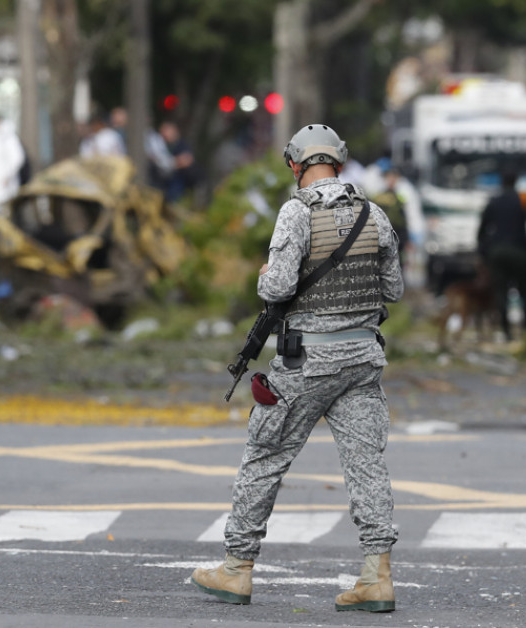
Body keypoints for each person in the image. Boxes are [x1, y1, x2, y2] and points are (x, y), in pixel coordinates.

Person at [191, 124, 403, 613]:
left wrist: (266, 276)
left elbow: (276, 289)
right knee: (367, 466)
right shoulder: (375, 215)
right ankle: (377, 575)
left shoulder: (296, 212)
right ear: (340, 163)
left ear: (295, 165)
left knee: (264, 457)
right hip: (362, 361)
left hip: (306, 362)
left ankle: (236, 569)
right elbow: (393, 289)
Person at [476, 170, 526, 340]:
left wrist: (483, 252)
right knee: (525, 292)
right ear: (516, 182)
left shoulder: (494, 201)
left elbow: (482, 230)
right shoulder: (523, 201)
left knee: (501, 293)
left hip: (497, 253)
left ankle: (506, 331)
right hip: (519, 252)